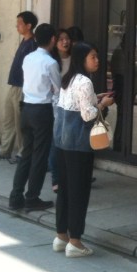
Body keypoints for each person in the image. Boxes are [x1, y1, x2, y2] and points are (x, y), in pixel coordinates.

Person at [52, 41, 114, 258]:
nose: (97, 60)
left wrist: (95, 100)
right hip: (79, 144)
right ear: (82, 59)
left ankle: (61, 236)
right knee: (79, 193)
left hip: (62, 141)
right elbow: (87, 115)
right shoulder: (85, 81)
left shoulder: (68, 79)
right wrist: (104, 104)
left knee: (65, 191)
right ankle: (76, 241)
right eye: (93, 57)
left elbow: (74, 106)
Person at [9, 23, 61, 212]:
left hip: (27, 108)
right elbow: (57, 90)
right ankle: (32, 197)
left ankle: (15, 196)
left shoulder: (28, 58)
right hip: (42, 110)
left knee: (26, 154)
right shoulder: (51, 63)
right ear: (53, 40)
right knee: (40, 156)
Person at [0, 11, 38, 162]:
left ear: (29, 26)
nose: (17, 26)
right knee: (9, 119)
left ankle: (23, 152)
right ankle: (4, 150)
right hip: (14, 85)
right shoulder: (24, 41)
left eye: (20, 23)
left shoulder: (32, 44)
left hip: (22, 87)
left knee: (19, 122)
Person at [49, 28, 73, 191]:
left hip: (72, 104)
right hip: (55, 104)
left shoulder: (75, 60)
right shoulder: (51, 61)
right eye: (61, 39)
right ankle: (56, 178)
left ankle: (67, 176)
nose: (65, 42)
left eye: (67, 39)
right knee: (56, 141)